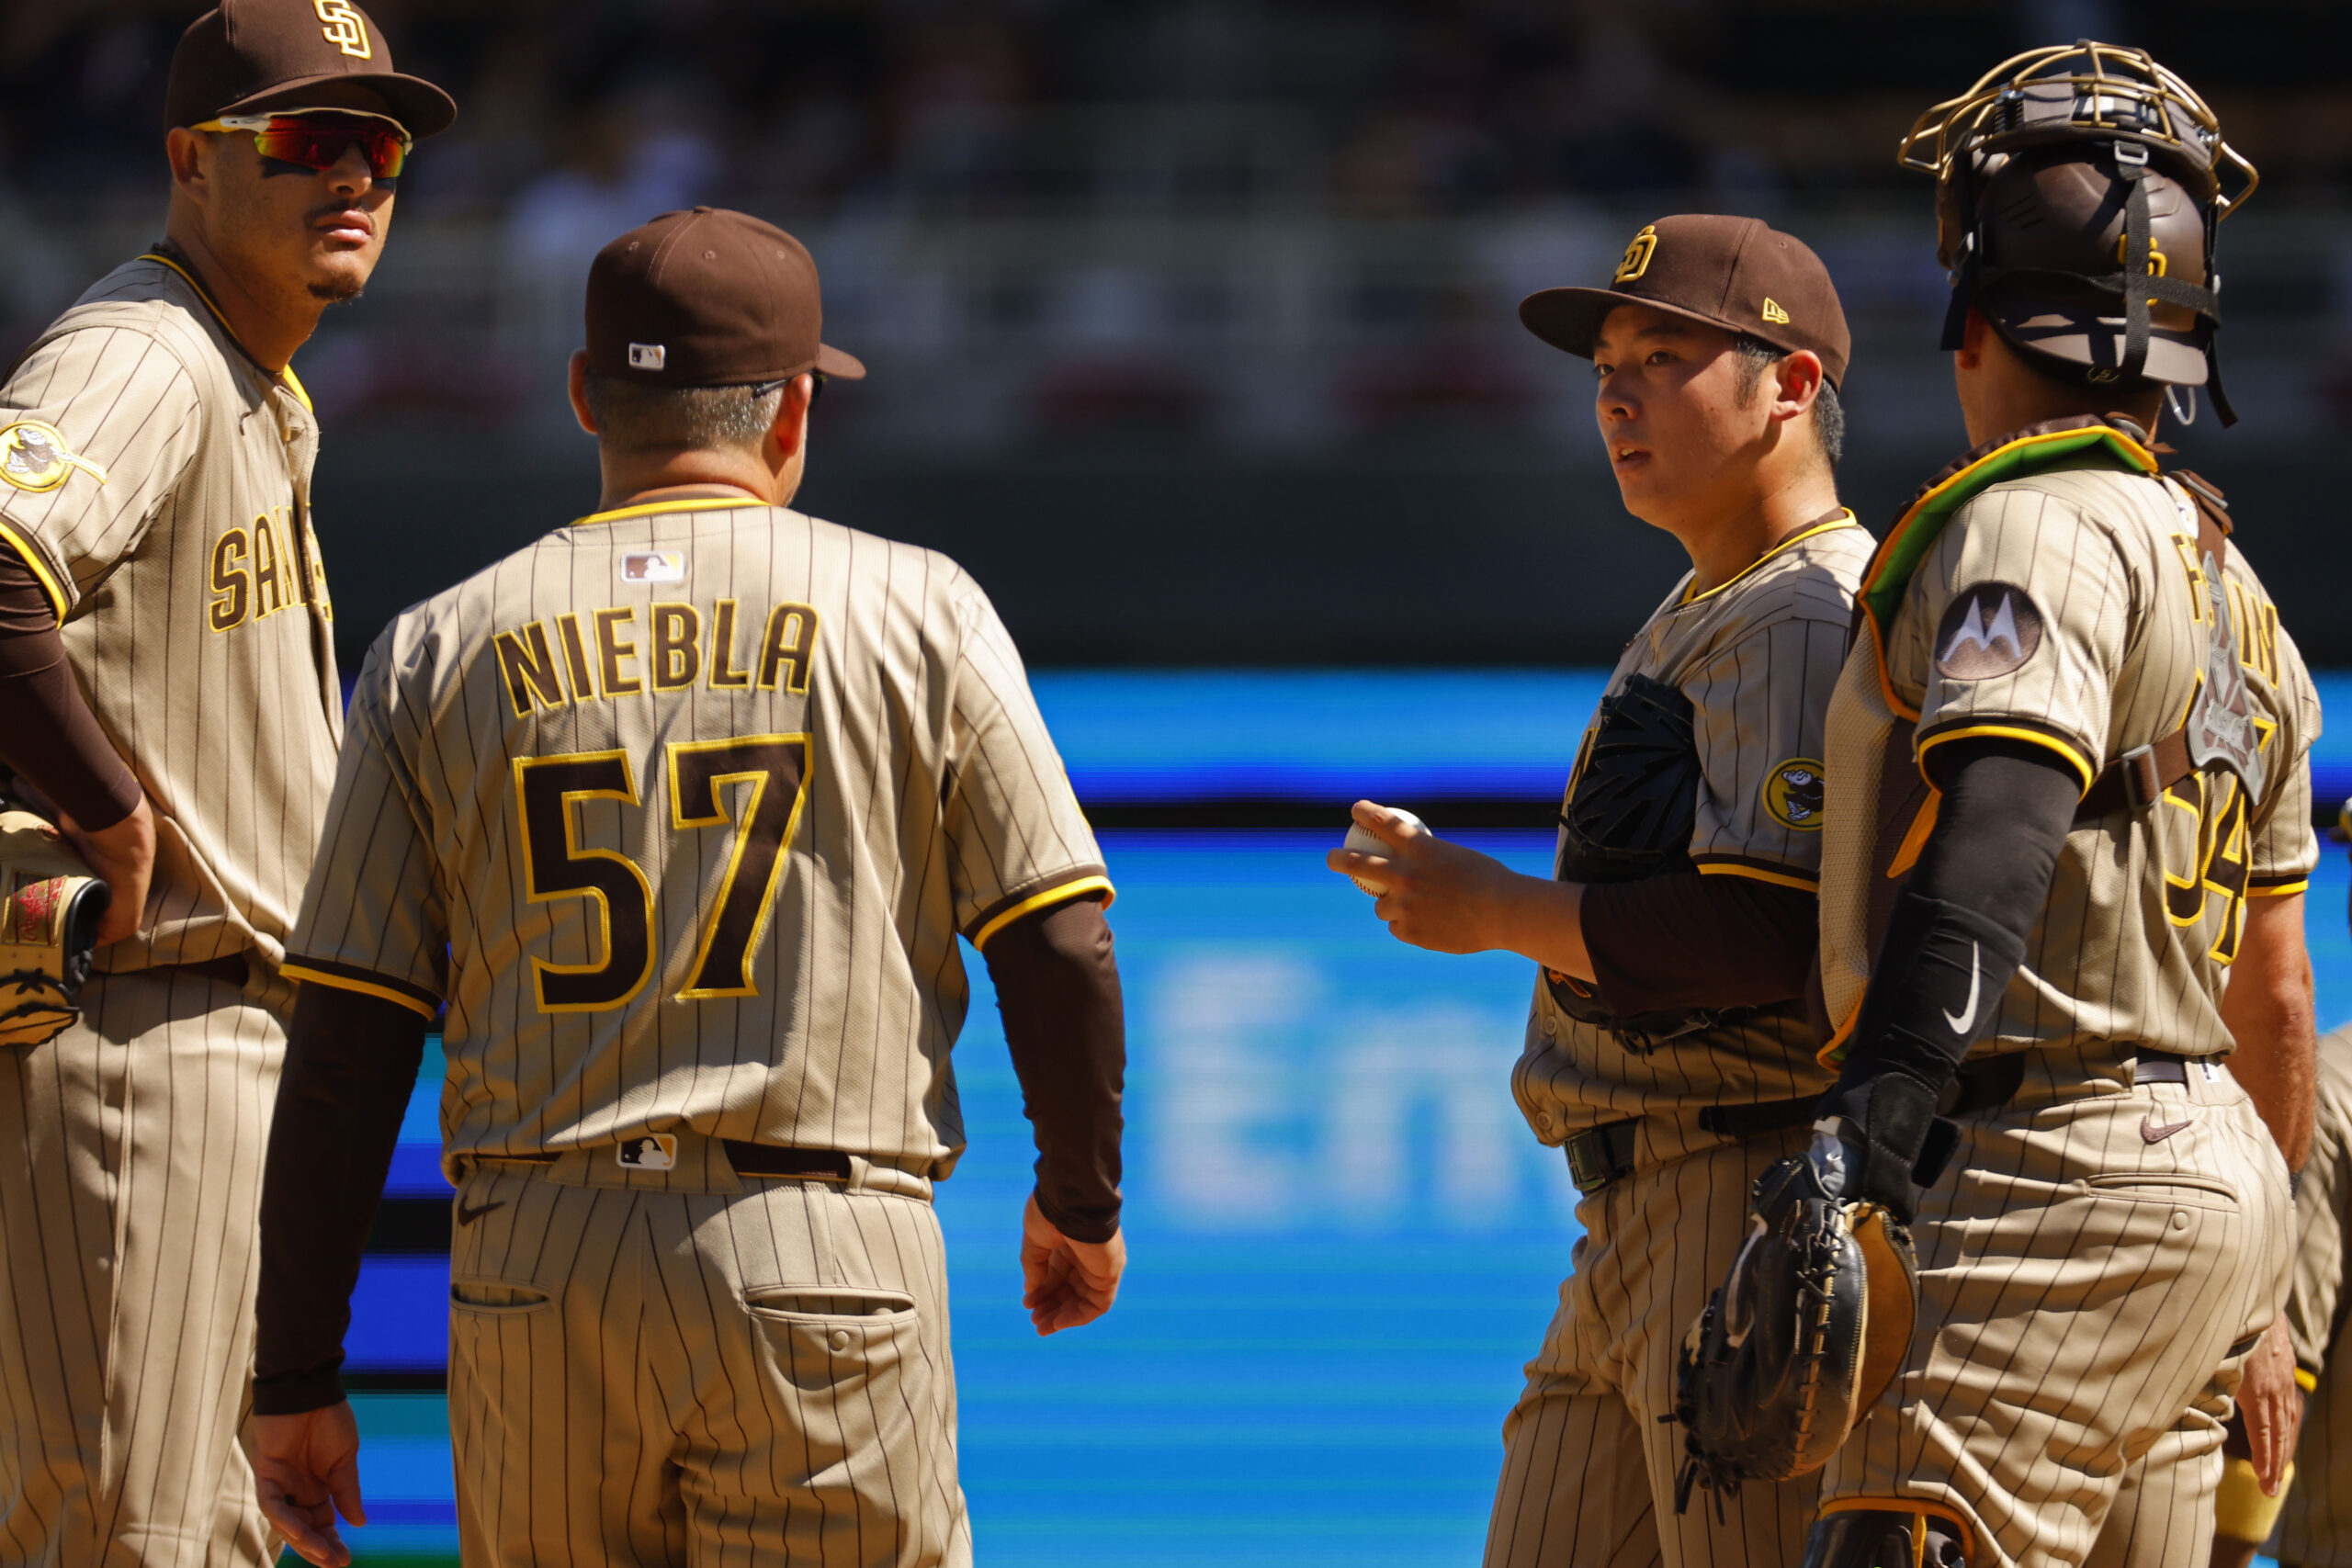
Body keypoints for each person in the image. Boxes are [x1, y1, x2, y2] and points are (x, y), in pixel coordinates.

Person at [245, 207, 1128, 1568]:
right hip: (822, 1250)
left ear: (588, 395)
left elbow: (349, 1041)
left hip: (539, 1266)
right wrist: (1080, 1200)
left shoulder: (436, 645)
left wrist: (295, 1370)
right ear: (790, 416)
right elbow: (1058, 939)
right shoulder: (916, 604)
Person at [1783, 42, 2316, 1566]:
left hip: (2048, 1166)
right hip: (2210, 1175)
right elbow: (2275, 991)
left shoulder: (2033, 516)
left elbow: (2003, 815)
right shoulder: (2245, 596)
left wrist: (1873, 1119)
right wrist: (2263, 1287)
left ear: (1969, 316)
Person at [1329, 213, 1866, 1566]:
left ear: (1790, 387)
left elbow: (1768, 929)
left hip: (1746, 1191)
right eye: (1605, 364)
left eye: (1665, 355)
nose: (1615, 393)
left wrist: (1495, 911)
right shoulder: (1710, 600)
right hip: (1636, 1215)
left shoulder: (1804, 611)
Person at [0, 2, 451, 1560]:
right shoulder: (146, 350)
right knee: (133, 1533)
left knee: (208, 1529)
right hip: (138, 1031)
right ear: (193, 160)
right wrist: (108, 809)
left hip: (220, 1042)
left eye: (380, 145)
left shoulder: (248, 372)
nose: (358, 177)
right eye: (310, 140)